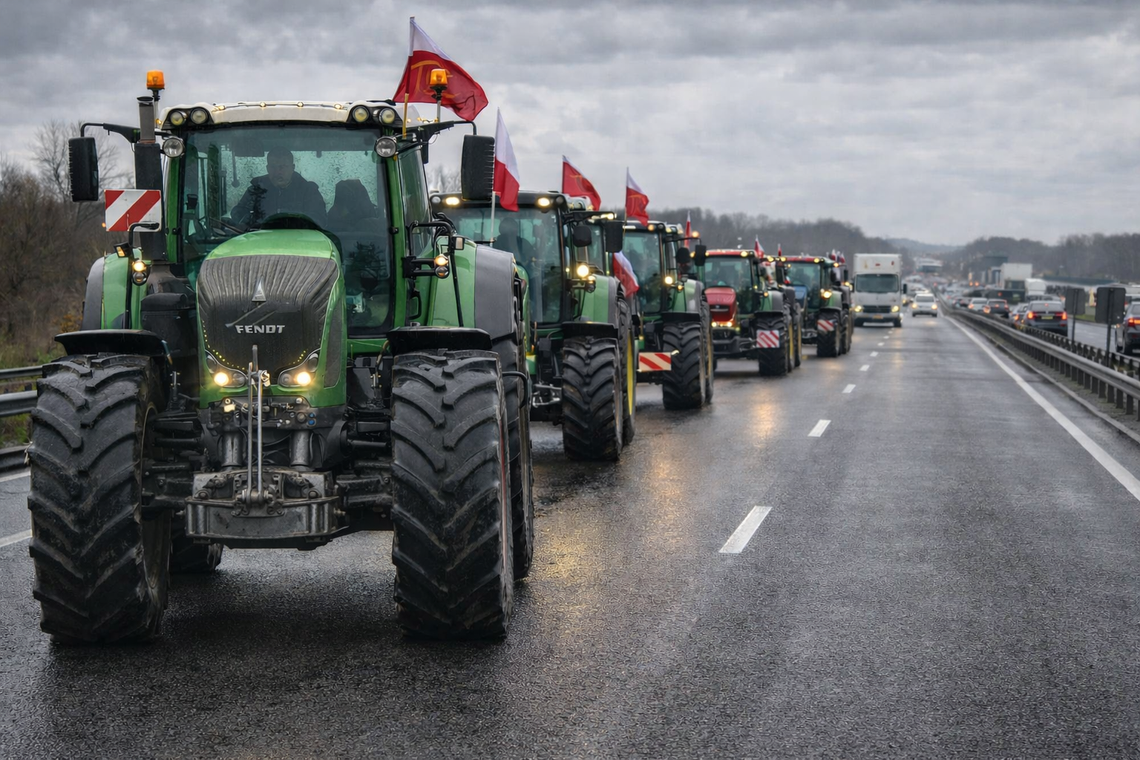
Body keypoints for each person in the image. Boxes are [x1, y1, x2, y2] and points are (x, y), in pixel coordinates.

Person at [230, 148, 327, 228]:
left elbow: (318, 219)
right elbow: (238, 212)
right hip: (260, 241)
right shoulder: (257, 190)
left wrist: (295, 224)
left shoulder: (308, 191)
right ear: (267, 168)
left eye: (283, 167)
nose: (277, 172)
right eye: (273, 167)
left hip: (299, 242)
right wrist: (251, 222)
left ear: (292, 168)